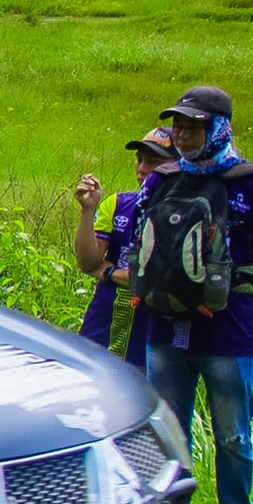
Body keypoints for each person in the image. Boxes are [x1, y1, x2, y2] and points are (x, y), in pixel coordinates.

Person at [132, 85, 253, 504]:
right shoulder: (160, 181)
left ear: (219, 127)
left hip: (228, 334)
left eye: (193, 126)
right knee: (166, 429)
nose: (182, 135)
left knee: (232, 433)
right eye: (178, 125)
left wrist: (239, 288)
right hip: (164, 328)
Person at [72, 127, 175, 367]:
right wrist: (88, 210)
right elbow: (87, 262)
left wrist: (109, 272)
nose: (142, 169)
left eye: (153, 162)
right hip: (105, 317)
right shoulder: (118, 203)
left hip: (155, 325)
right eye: (139, 160)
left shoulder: (184, 214)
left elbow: (159, 281)